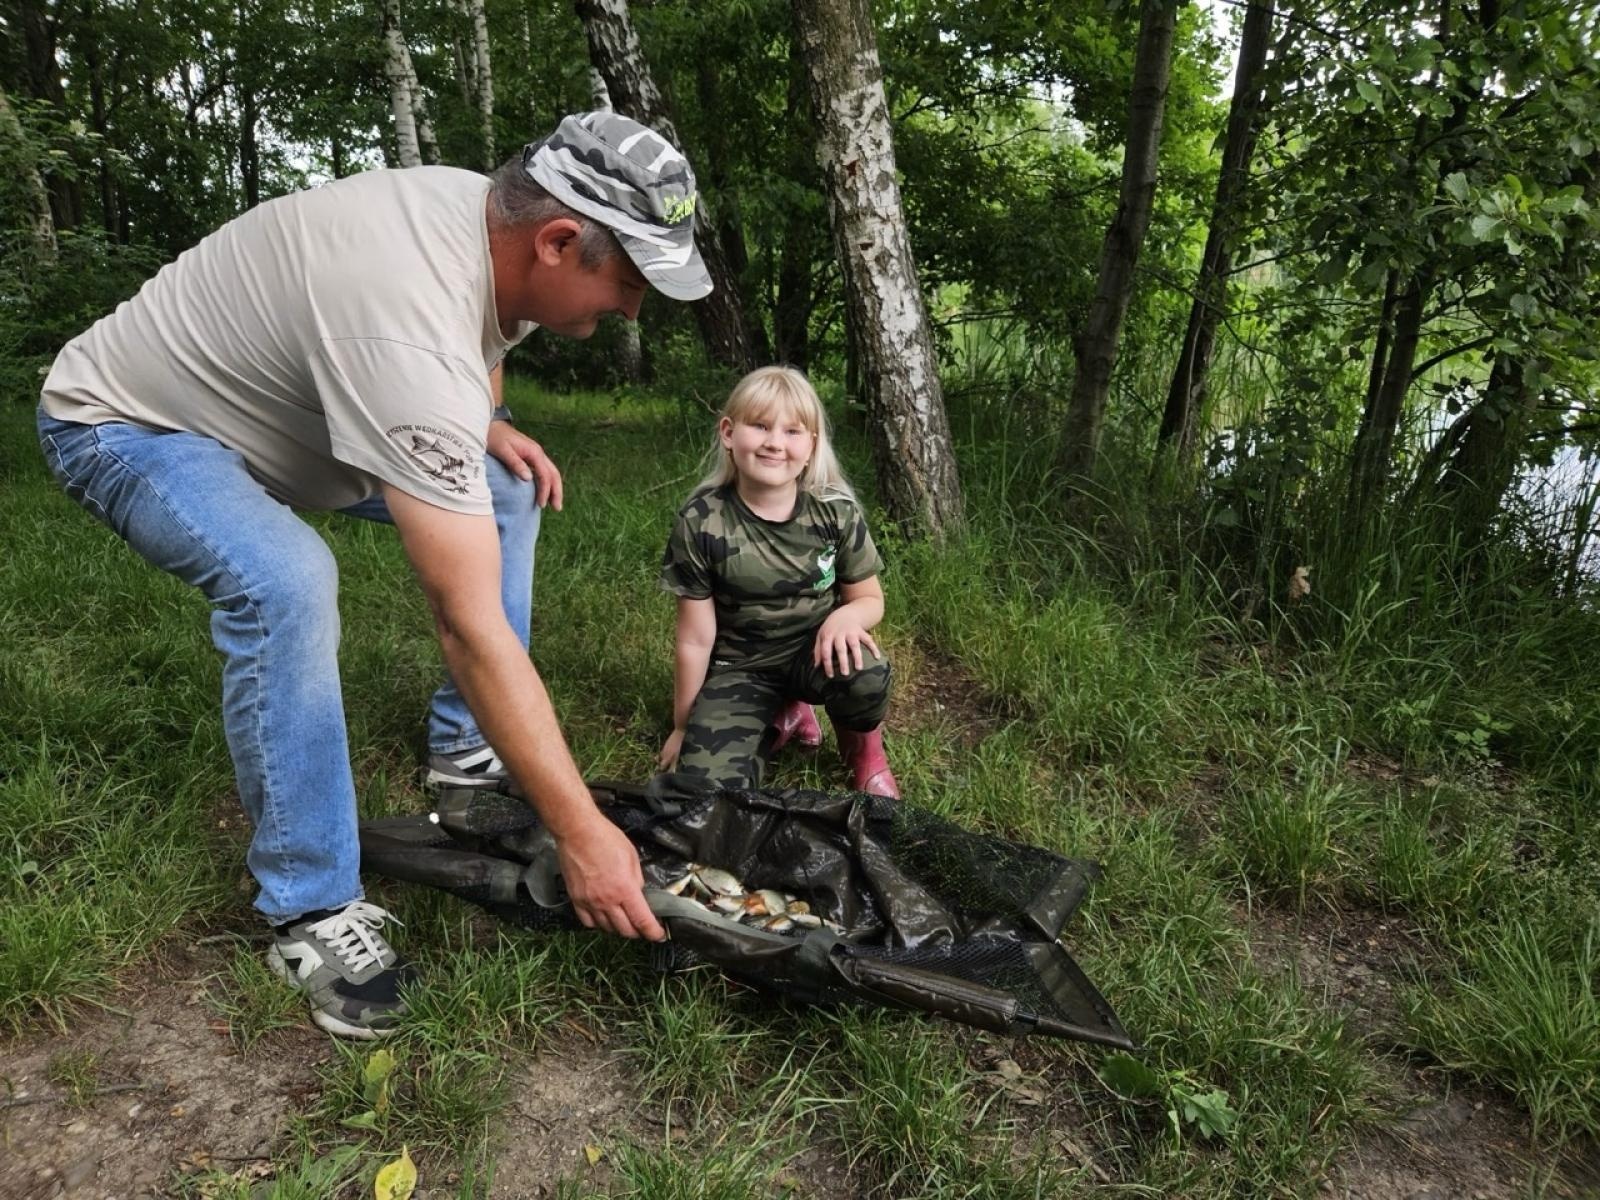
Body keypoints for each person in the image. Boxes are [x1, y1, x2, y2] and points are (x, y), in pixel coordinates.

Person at [35, 112, 701, 1039]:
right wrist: (583, 832)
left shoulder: (482, 221)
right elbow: (467, 623)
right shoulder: (404, 323)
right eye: (628, 282)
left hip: (277, 416)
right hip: (127, 423)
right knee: (286, 582)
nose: (631, 309)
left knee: (503, 488)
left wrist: (486, 425)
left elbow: (481, 344)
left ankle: (468, 752)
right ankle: (306, 910)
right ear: (557, 242)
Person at [656, 366, 900, 800]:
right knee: (706, 791)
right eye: (760, 426)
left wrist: (845, 617)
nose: (774, 442)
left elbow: (869, 598)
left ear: (811, 446)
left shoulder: (835, 512)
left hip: (815, 652)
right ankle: (782, 715)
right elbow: (695, 637)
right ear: (729, 433)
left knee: (867, 673)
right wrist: (682, 726)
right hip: (741, 668)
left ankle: (863, 751)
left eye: (792, 431)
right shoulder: (701, 520)